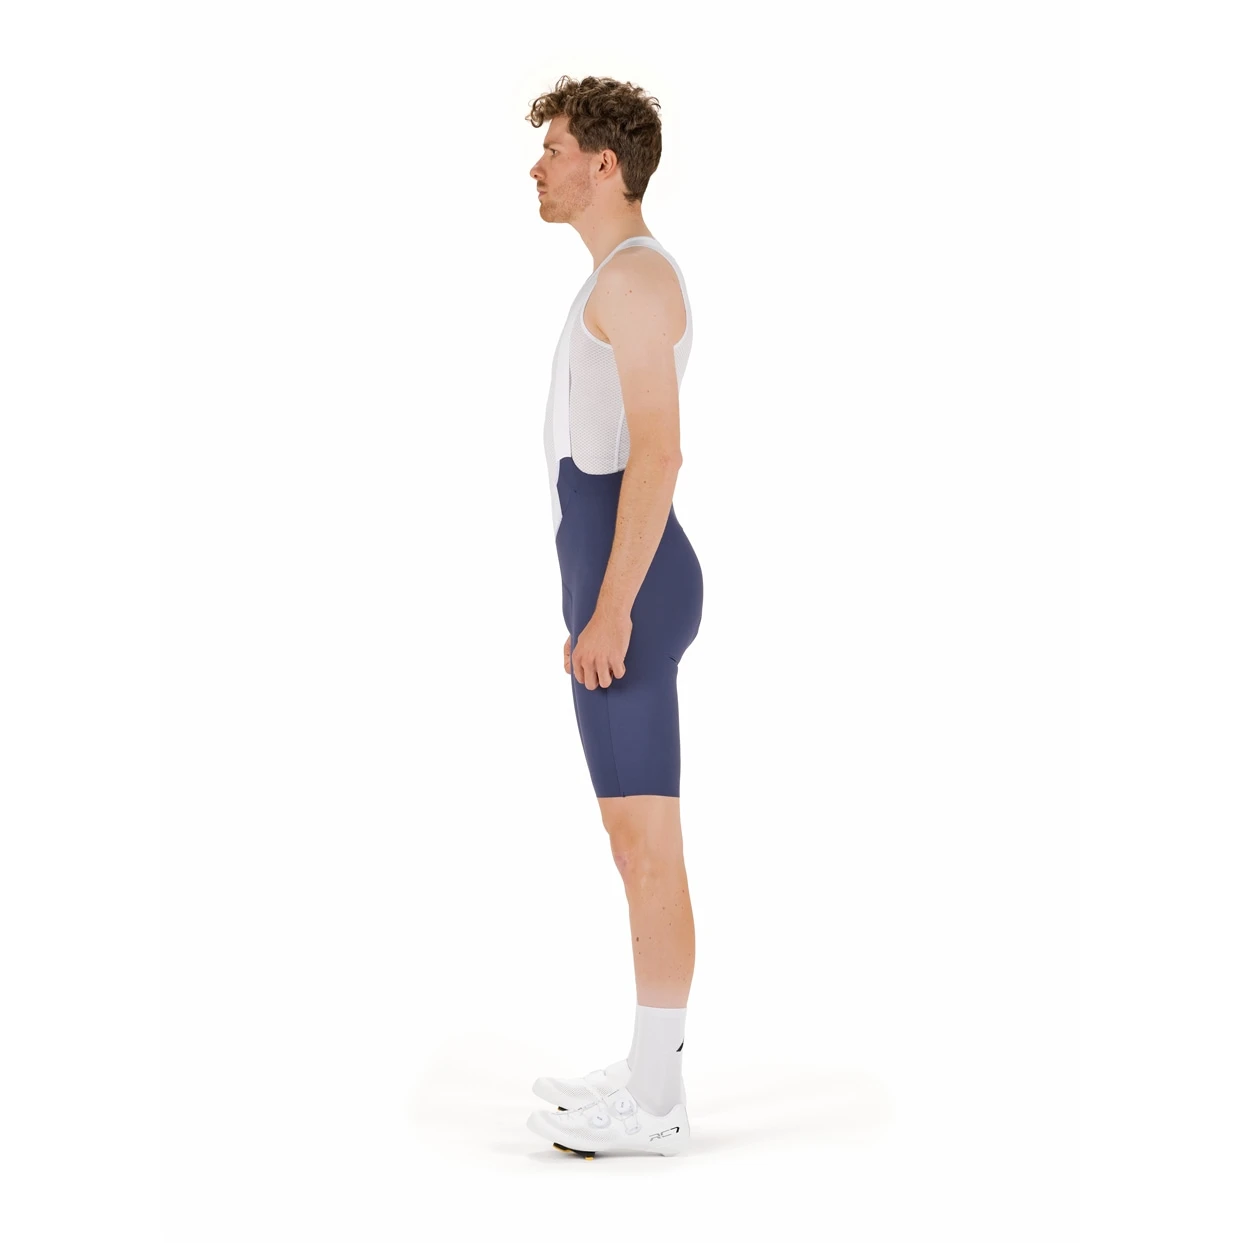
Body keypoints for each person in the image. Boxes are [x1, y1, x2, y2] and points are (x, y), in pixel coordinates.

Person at [523, 76, 703, 1158]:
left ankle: (657, 1100)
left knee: (646, 845)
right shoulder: (613, 278)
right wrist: (597, 602)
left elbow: (661, 453)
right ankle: (644, 1071)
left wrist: (612, 610)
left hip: (631, 595)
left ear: (604, 163)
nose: (536, 167)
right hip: (613, 589)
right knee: (631, 839)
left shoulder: (634, 279)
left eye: (553, 148)